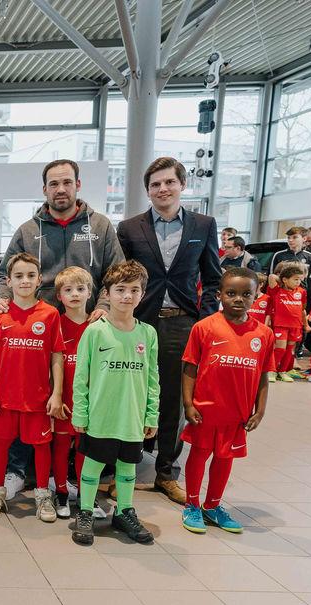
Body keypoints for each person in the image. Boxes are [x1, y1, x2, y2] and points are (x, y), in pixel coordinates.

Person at [0, 159, 123, 502]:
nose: (60, 189)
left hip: (86, 328)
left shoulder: (100, 226)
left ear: (78, 185)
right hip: (36, 331)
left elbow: (116, 273)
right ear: (44, 189)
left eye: (67, 182)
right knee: (30, 401)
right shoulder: (27, 230)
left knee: (75, 403)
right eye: (54, 184)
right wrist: (3, 299)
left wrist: (104, 305)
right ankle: (18, 471)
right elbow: (4, 275)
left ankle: (67, 477)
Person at [116, 156, 221, 505]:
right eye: (155, 184)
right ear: (147, 190)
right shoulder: (130, 228)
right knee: (132, 393)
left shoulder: (203, 225)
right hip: (138, 323)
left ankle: (166, 472)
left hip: (182, 322)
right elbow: (119, 276)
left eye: (169, 182)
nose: (162, 189)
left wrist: (204, 322)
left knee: (174, 400)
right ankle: (126, 467)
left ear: (182, 185)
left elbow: (213, 278)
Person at [71, 260, 160, 546]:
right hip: (101, 415)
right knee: (93, 466)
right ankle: (86, 511)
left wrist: (151, 415)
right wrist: (80, 414)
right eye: (120, 289)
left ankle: (124, 511)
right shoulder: (95, 331)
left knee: (127, 467)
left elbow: (153, 378)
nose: (127, 296)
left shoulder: (148, 333)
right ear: (107, 293)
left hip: (132, 417)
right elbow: (81, 377)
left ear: (142, 294)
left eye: (134, 290)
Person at [180, 267, 273, 534]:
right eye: (231, 293)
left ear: (256, 296)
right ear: (219, 294)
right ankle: (192, 504)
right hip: (206, 411)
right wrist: (188, 404)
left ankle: (212, 506)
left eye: (246, 294)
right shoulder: (204, 327)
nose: (238, 299)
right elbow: (189, 368)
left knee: (224, 459)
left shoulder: (263, 334)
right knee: (199, 455)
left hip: (237, 414)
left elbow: (263, 376)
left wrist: (260, 411)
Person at [0, 253, 64, 522]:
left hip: (38, 399)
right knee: (1, 445)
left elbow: (57, 356)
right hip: (4, 398)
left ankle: (42, 496)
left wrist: (56, 394)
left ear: (40, 280)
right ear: (9, 281)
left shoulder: (50, 314)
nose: (25, 281)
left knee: (41, 447)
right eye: (18, 276)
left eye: (30, 275)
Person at [51, 266, 105, 520]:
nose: (74, 294)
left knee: (86, 450)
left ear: (90, 293)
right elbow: (50, 366)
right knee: (61, 448)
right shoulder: (55, 325)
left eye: (80, 289)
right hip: (64, 401)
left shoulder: (99, 326)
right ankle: (61, 492)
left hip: (91, 403)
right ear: (59, 295)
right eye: (68, 289)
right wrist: (55, 397)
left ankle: (86, 495)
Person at [268, 262, 308, 382]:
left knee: (290, 350)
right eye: (295, 279)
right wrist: (282, 280)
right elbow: (271, 276)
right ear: (285, 280)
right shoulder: (277, 290)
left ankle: (283, 371)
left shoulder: (301, 292)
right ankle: (271, 371)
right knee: (280, 349)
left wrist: (305, 324)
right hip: (280, 325)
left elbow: (302, 309)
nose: (298, 282)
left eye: (300, 279)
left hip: (296, 326)